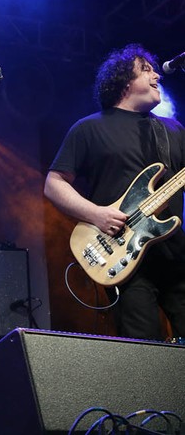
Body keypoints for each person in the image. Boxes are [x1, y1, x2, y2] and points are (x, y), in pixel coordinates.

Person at [44, 43, 185, 341]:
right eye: (146, 70)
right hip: (125, 258)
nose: (157, 76)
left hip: (176, 255)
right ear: (124, 81)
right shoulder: (89, 129)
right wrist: (95, 214)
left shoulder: (172, 129)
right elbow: (54, 183)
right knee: (144, 350)